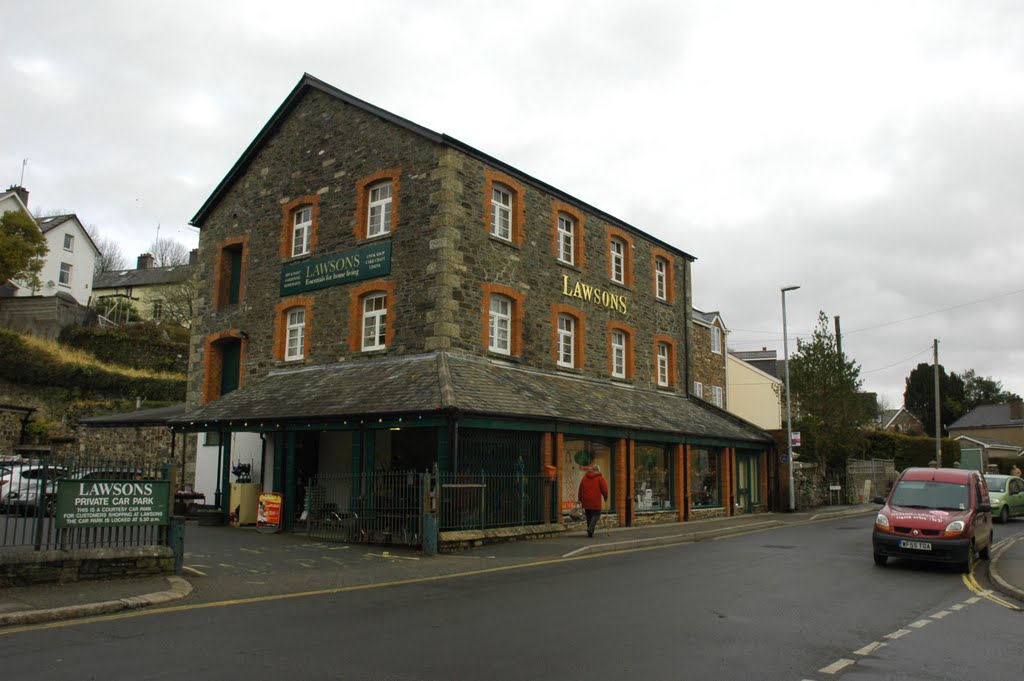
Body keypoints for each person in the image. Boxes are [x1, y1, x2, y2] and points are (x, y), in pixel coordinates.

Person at [578, 464, 609, 538]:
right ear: (598, 470)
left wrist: (580, 499)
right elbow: (605, 489)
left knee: (589, 516)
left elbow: (581, 488)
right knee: (596, 515)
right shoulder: (599, 478)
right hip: (595, 500)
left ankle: (590, 533)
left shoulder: (585, 477)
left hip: (586, 500)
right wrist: (605, 497)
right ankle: (590, 529)